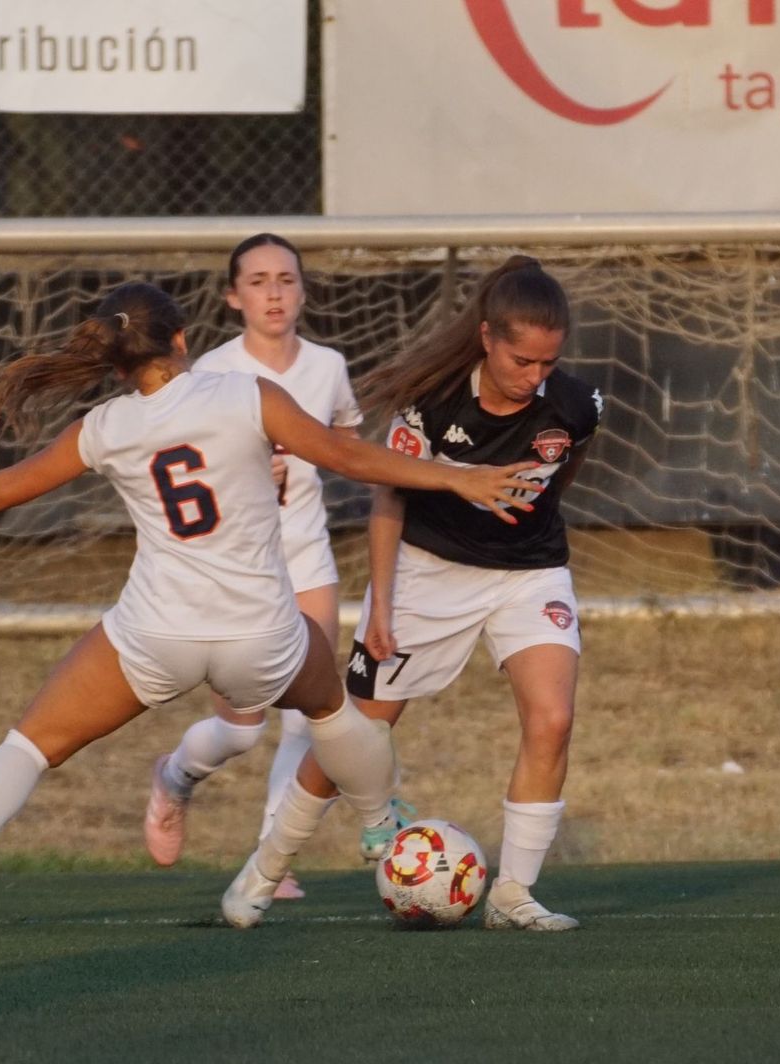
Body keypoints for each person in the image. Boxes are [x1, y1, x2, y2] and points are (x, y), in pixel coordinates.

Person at [0, 282, 538, 937]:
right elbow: (345, 456)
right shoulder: (245, 394)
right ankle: (375, 821)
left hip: (155, 634)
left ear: (115, 365)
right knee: (331, 708)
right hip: (260, 638)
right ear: (181, 339)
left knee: (28, 745)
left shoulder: (103, 427)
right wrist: (458, 476)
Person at [217, 255, 602, 932]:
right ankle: (264, 869)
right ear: (487, 338)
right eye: (521, 361)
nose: (535, 377)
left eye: (548, 363)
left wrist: (528, 529)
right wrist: (383, 606)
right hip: (426, 573)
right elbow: (388, 498)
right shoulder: (433, 402)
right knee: (356, 739)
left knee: (554, 720)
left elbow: (561, 476)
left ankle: (513, 894)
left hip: (529, 573)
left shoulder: (575, 405)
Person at [141, 234, 365, 903]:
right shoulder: (212, 371)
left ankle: (273, 857)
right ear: (233, 296)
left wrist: (326, 455)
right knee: (242, 732)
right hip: (235, 569)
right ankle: (174, 779)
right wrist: (241, 472)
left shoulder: (327, 366)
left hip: (305, 558)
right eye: (259, 281)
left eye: (287, 280)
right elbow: (177, 464)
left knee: (310, 714)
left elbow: (346, 438)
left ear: (303, 291)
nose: (274, 293)